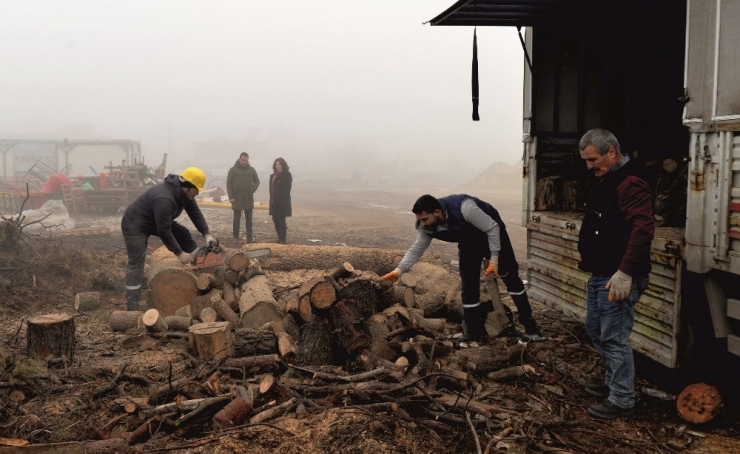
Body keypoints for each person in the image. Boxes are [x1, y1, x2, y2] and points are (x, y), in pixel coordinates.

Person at [381, 194, 543, 343]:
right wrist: (399, 270)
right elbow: (417, 249)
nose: (422, 223)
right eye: (420, 220)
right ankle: (473, 332)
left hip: (492, 234)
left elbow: (492, 228)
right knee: (469, 285)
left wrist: (494, 260)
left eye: (425, 219)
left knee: (511, 280)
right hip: (468, 241)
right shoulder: (426, 227)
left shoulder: (466, 208)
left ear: (437, 212)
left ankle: (531, 329)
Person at [578, 129, 654, 419]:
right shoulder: (608, 179)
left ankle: (622, 399)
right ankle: (612, 384)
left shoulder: (630, 182)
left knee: (614, 337)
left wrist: (625, 272)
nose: (589, 166)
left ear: (612, 151)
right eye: (586, 161)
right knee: (596, 330)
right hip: (602, 272)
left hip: (618, 276)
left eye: (593, 159)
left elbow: (643, 229)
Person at [120, 167, 216, 310]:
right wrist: (180, 253)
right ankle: (132, 303)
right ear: (188, 186)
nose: (197, 193)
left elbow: (195, 212)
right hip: (135, 224)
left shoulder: (184, 193)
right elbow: (164, 231)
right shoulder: (164, 198)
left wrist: (206, 234)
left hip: (155, 220)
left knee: (182, 233)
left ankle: (200, 261)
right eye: (196, 189)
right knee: (137, 261)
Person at [226, 152, 260, 242]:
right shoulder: (233, 170)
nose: (244, 162)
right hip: (236, 198)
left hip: (248, 198)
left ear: (248, 160)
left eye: (246, 160)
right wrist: (231, 196)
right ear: (239, 159)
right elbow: (229, 184)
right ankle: (236, 237)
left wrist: (253, 189)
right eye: (243, 160)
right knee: (236, 219)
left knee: (249, 219)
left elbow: (257, 181)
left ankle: (249, 237)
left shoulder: (251, 170)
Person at [269, 157, 292, 244]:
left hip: (282, 202)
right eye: (277, 164)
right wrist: (272, 200)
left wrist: (279, 199)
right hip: (273, 201)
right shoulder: (273, 176)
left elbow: (287, 189)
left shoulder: (287, 175)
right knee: (275, 219)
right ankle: (279, 237)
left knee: (281, 220)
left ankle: (283, 239)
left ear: (283, 165)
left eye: (280, 164)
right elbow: (271, 189)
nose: (278, 166)